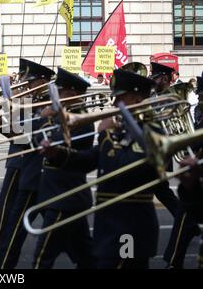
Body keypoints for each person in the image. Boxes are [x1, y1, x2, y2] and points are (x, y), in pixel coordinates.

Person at [41, 69, 160, 268]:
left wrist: (105, 135)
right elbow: (90, 159)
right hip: (110, 222)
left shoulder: (151, 131)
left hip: (130, 225)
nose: (114, 105)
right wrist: (58, 154)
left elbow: (125, 167)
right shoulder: (123, 129)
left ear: (138, 99)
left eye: (120, 98)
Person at [0, 59, 53, 258]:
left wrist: (11, 108)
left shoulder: (42, 103)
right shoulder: (26, 100)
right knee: (25, 207)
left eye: (31, 81)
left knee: (11, 207)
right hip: (19, 158)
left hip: (25, 161)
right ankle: (2, 244)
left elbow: (22, 136)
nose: (25, 84)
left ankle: (2, 246)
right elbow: (12, 133)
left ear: (43, 81)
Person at [32, 67, 95, 269]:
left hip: (65, 196)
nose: (56, 96)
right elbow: (37, 140)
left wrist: (47, 118)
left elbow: (59, 145)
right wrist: (45, 118)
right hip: (60, 194)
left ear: (73, 94)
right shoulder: (59, 115)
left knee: (42, 258)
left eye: (61, 92)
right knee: (85, 256)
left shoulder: (82, 120)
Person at [150, 62, 201, 269]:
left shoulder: (171, 96)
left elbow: (181, 125)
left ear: (164, 78)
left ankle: (173, 261)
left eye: (156, 77)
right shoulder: (153, 96)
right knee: (172, 199)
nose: (154, 81)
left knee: (182, 209)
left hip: (171, 153)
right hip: (163, 151)